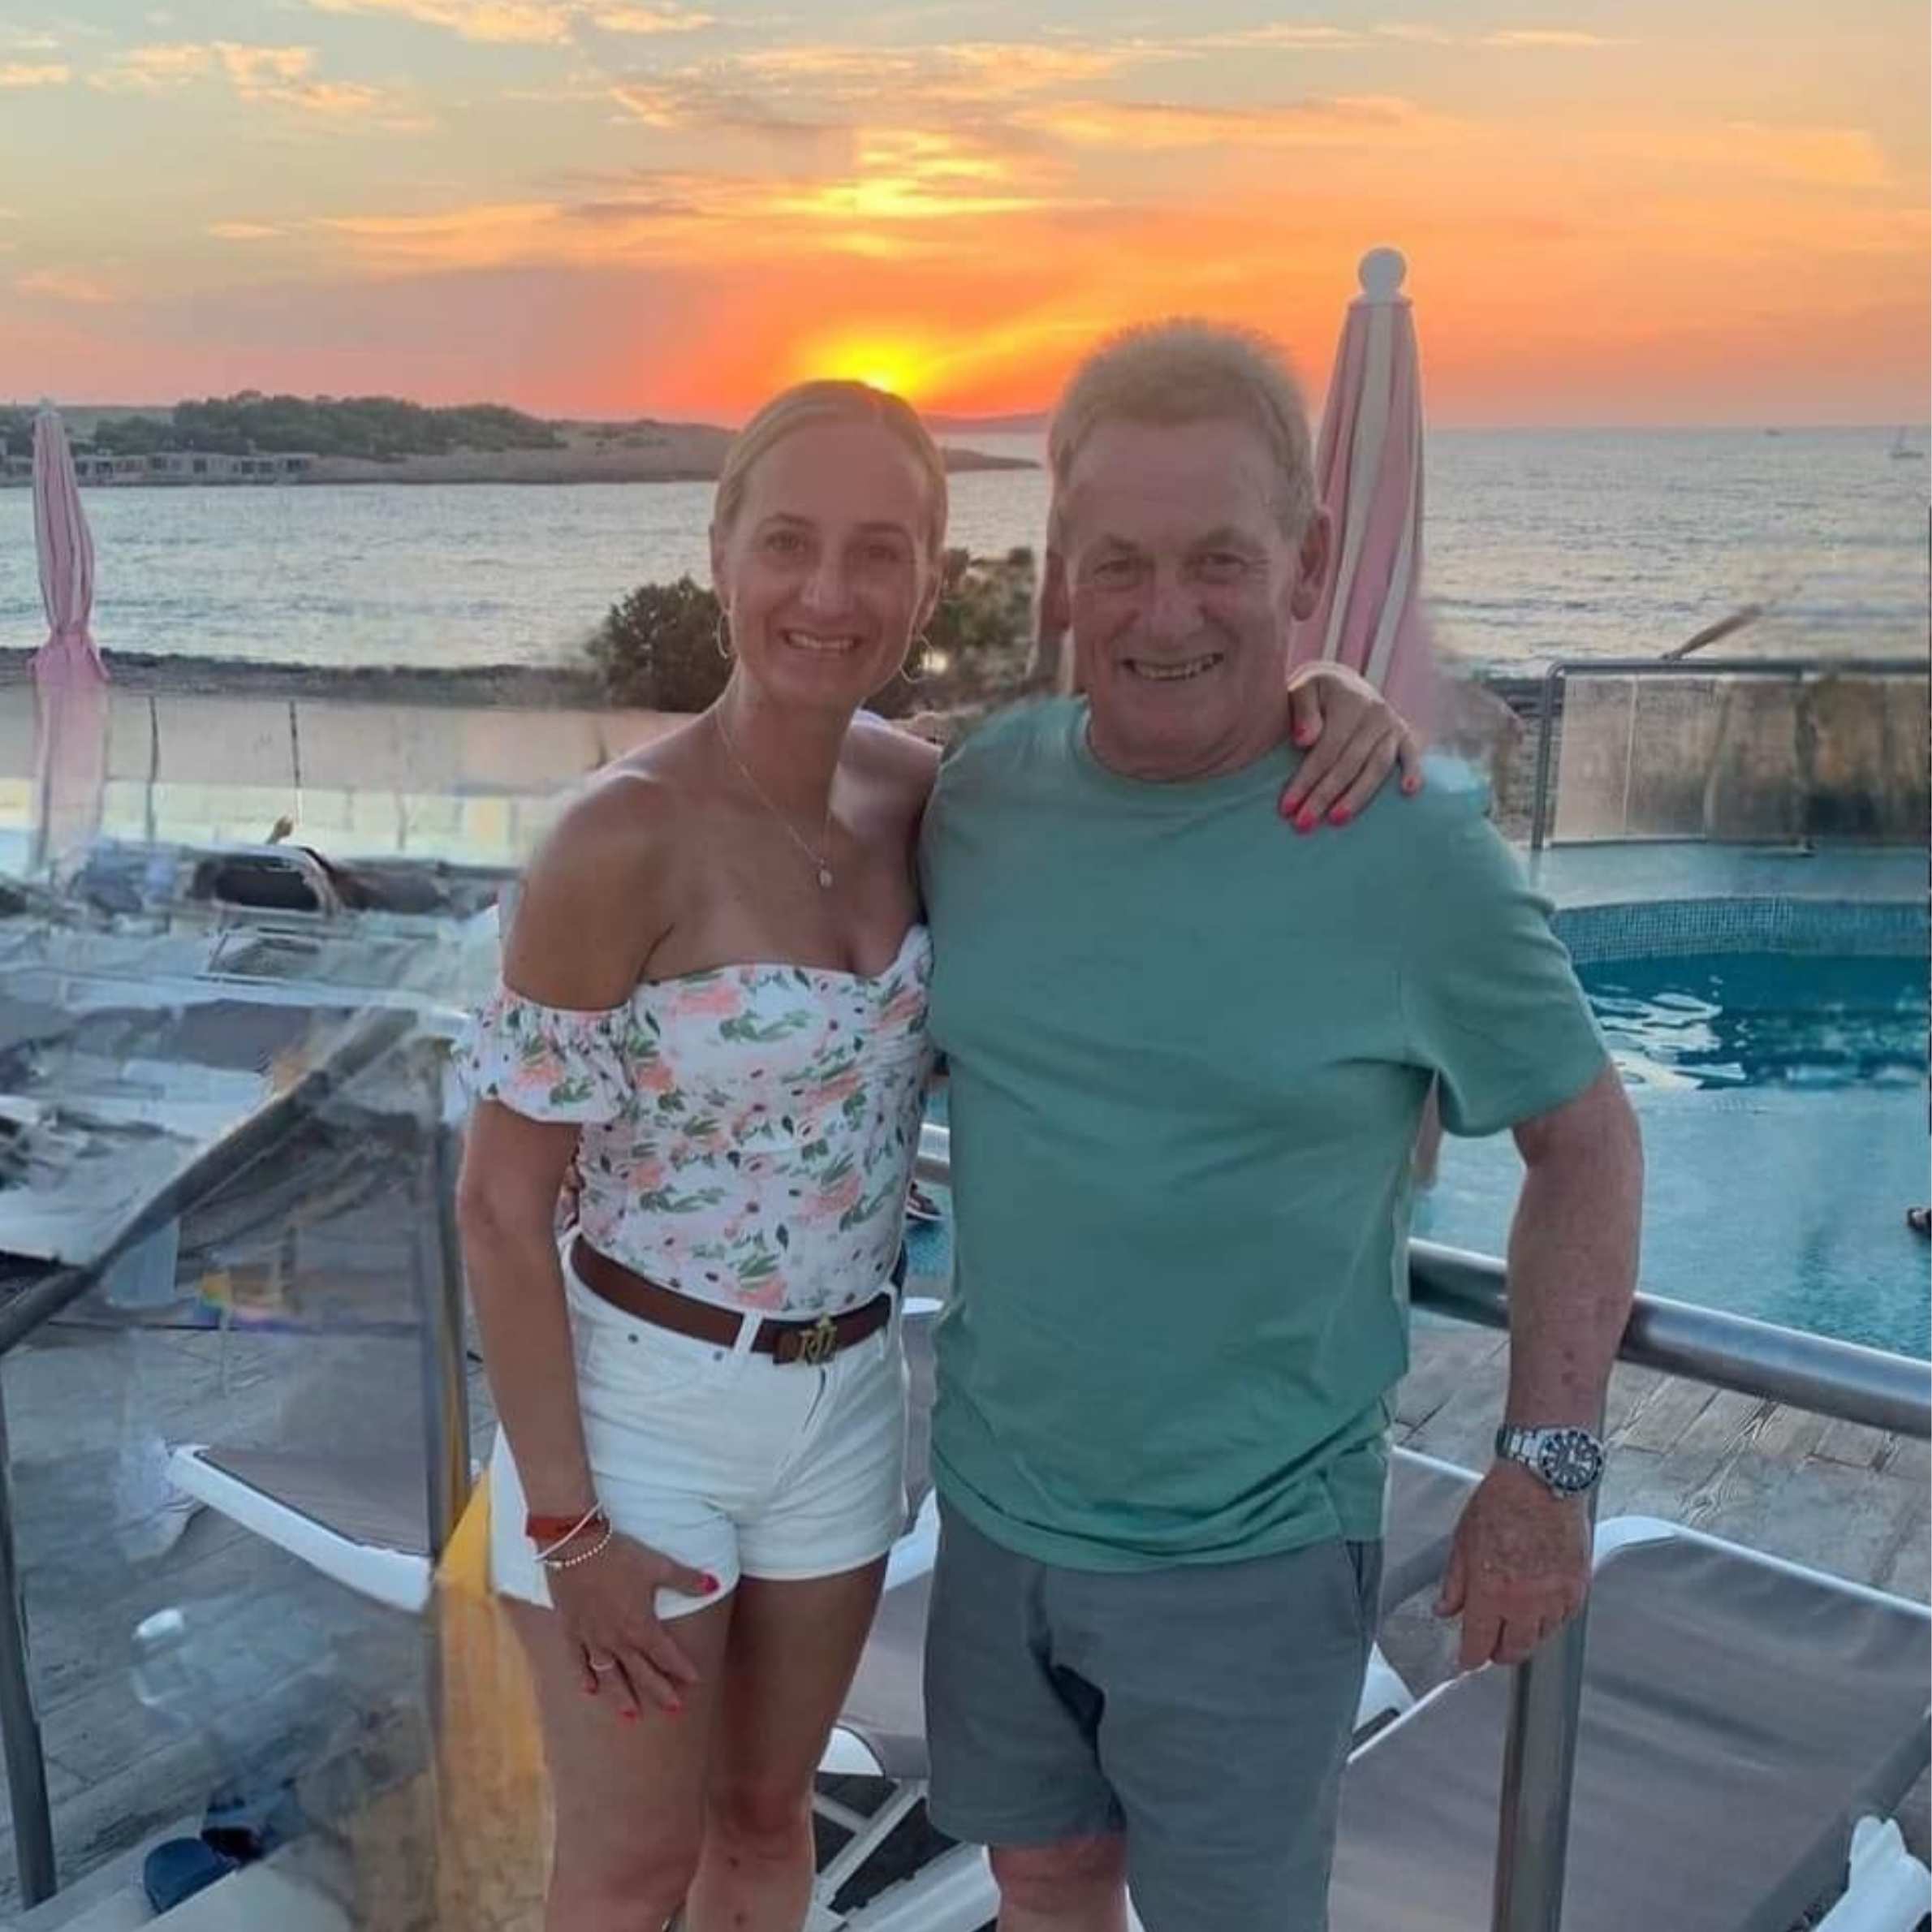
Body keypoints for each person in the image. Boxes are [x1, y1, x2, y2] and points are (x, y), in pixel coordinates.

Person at [454, 377, 1421, 1932]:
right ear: (720, 551)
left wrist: (1332, 695)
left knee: (766, 1826)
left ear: (929, 581)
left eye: (879, 551)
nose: (828, 592)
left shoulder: (935, 801)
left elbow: (1162, 772)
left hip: (848, 1399)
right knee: (628, 1868)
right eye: (788, 542)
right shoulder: (616, 838)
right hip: (639, 1413)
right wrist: (567, 1528)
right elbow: (503, 1209)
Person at [917, 320, 1645, 1932]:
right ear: (1059, 572)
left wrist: (1546, 1465)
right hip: (992, 1502)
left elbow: (1585, 1139)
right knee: (1040, 1878)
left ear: (1304, 561)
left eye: (1218, 561)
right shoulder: (976, 799)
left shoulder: (1409, 846)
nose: (1165, 612)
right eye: (1118, 562)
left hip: (1250, 1549)